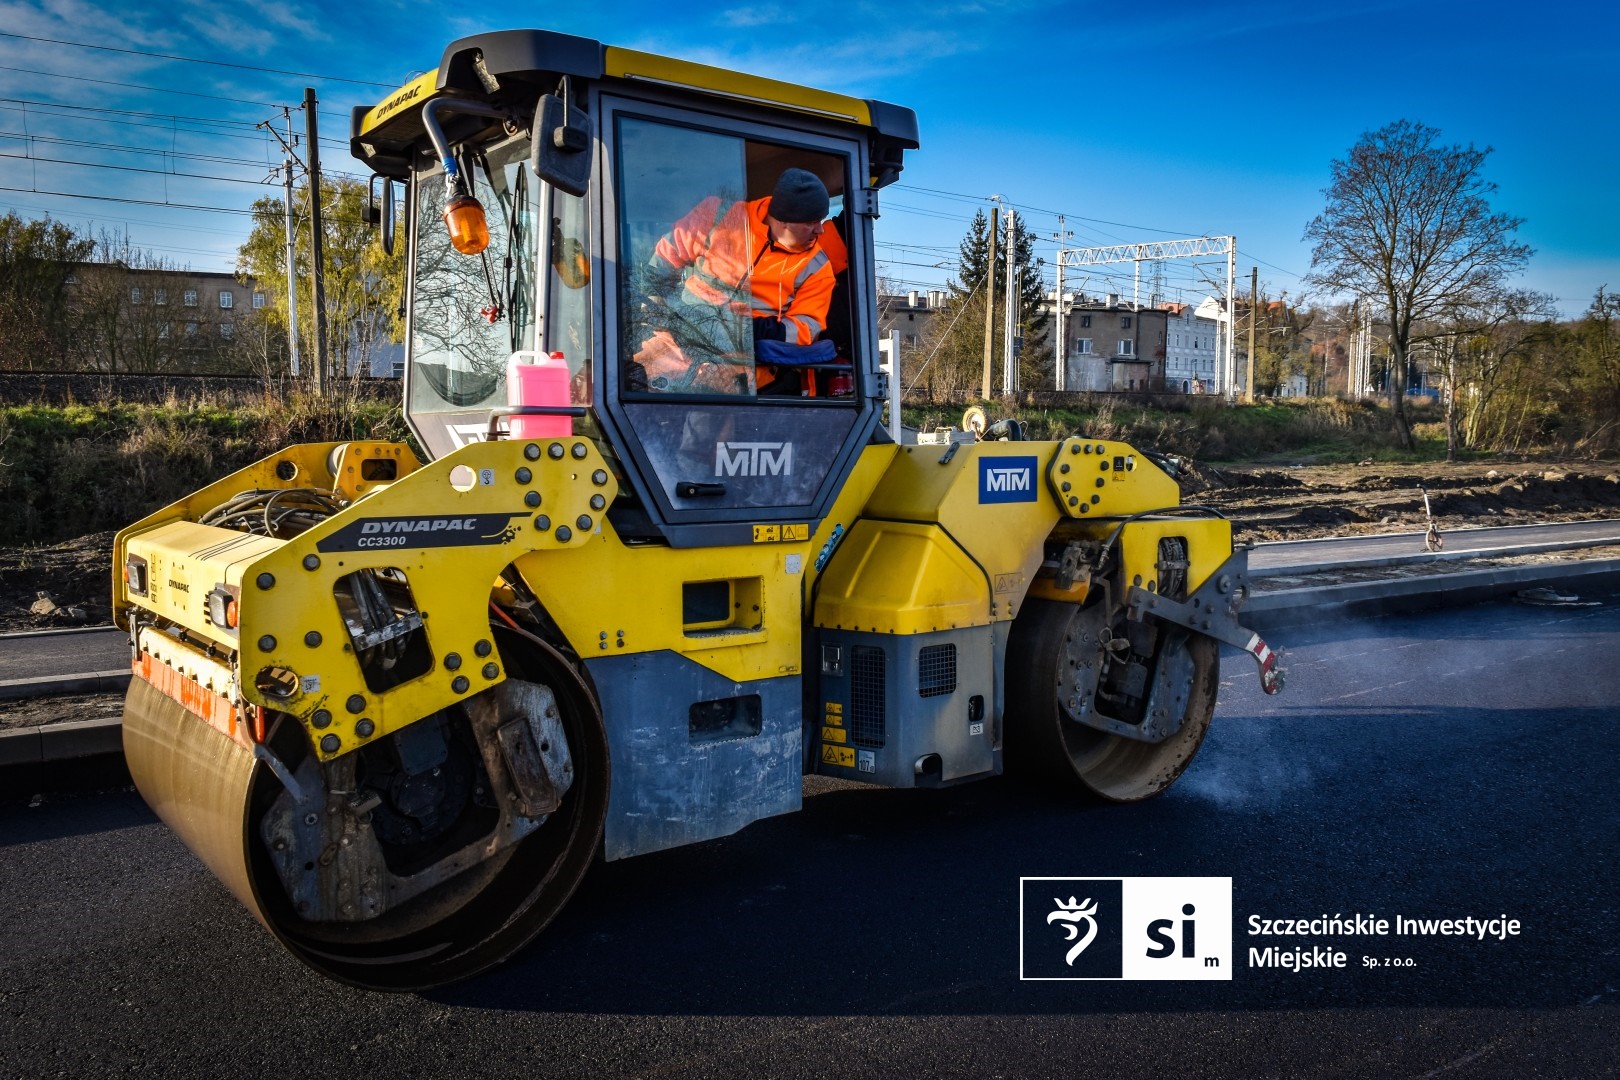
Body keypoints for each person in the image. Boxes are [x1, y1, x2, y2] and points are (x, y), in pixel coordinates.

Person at [630, 168, 836, 394]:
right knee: (624, 380)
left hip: (747, 360)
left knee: (706, 412)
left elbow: (807, 327)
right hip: (677, 337)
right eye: (812, 222)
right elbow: (666, 255)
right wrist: (655, 303)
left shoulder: (817, 266)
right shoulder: (718, 215)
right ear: (785, 221)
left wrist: (749, 332)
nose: (820, 230)